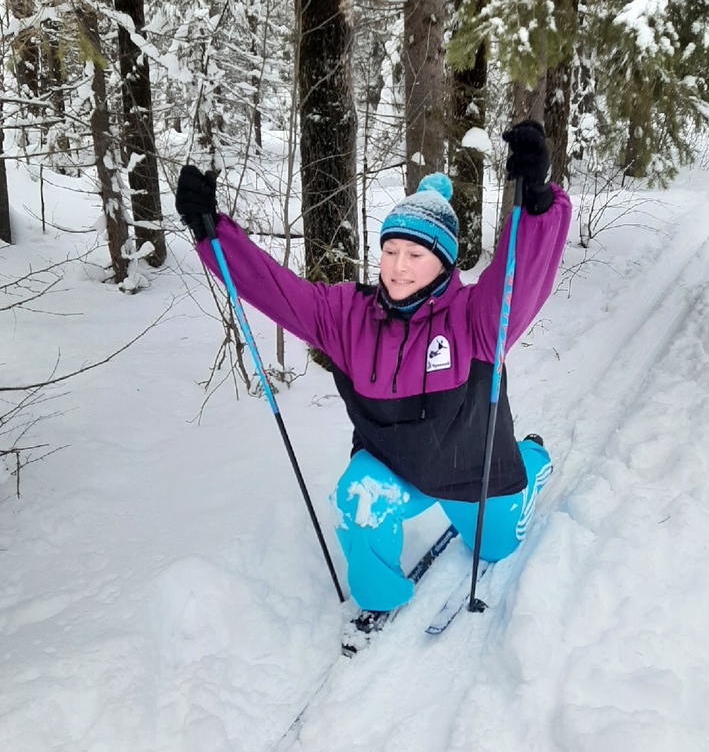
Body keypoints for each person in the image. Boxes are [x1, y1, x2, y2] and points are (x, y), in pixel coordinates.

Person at [175, 122, 572, 618]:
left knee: (496, 548)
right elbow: (275, 289)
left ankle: (530, 461)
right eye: (389, 251)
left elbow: (521, 280)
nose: (398, 266)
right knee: (357, 499)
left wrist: (533, 205)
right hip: (395, 469)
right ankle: (382, 598)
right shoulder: (348, 316)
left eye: (415, 254)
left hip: (473, 471)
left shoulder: (473, 319)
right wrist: (213, 231)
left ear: (445, 263)